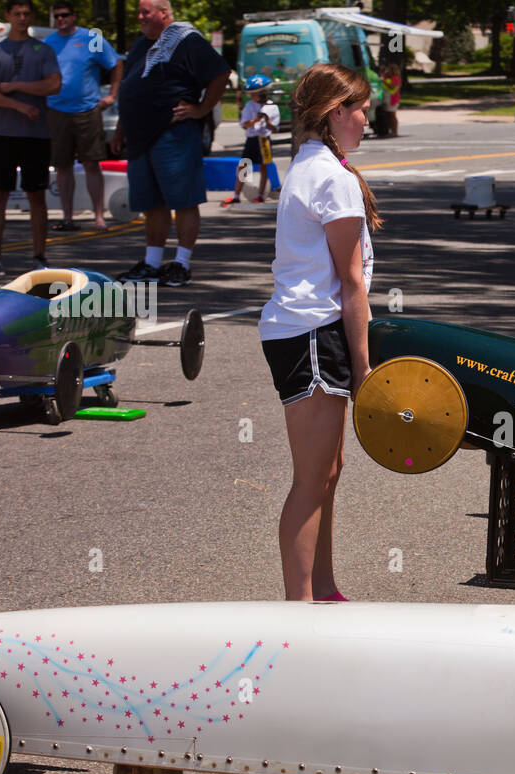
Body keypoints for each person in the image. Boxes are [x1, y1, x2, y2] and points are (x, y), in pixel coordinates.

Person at [259, 63, 378, 602]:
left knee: (328, 471)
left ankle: (323, 590)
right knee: (312, 478)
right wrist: (364, 369)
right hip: (312, 333)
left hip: (303, 331)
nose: (366, 118)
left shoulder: (310, 165)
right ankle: (299, 606)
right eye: (360, 108)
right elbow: (352, 285)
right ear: (336, 113)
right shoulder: (331, 177)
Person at [112, 0, 229, 286]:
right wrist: (119, 130)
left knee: (184, 200)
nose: (140, 17)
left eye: (145, 12)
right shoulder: (142, 45)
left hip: (173, 134)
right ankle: (152, 263)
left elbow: (220, 73)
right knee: (152, 203)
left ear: (163, 13)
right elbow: (131, 87)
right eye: (138, 12)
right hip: (140, 136)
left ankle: (181, 263)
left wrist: (201, 109)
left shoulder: (186, 40)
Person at [0, 0, 61, 276]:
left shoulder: (43, 49)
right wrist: (20, 105)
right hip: (0, 133)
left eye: (26, 14)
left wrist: (15, 86)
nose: (22, 18)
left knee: (36, 196)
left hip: (35, 134)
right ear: (8, 16)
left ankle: (38, 256)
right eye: (17, 14)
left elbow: (54, 84)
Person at [43, 0, 122, 232]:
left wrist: (113, 95)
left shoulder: (92, 38)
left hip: (87, 109)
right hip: (56, 110)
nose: (60, 20)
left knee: (91, 163)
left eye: (65, 15)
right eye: (56, 16)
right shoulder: (48, 43)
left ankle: (99, 216)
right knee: (62, 166)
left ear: (74, 16)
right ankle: (67, 217)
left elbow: (116, 63)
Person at [223, 74, 279, 206]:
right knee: (244, 166)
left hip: (264, 139)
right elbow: (244, 124)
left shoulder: (272, 107)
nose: (252, 97)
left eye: (254, 94)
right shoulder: (249, 105)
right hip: (252, 139)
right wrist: (256, 120)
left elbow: (274, 128)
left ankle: (260, 195)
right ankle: (236, 195)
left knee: (263, 166)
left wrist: (266, 120)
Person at [379, 62, 400, 137]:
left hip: (393, 99)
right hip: (386, 98)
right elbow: (380, 75)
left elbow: (392, 87)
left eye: (389, 70)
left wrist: (384, 81)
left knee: (392, 115)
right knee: (388, 116)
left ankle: (395, 131)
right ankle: (391, 131)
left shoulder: (395, 78)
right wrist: (382, 70)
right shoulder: (387, 77)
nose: (387, 71)